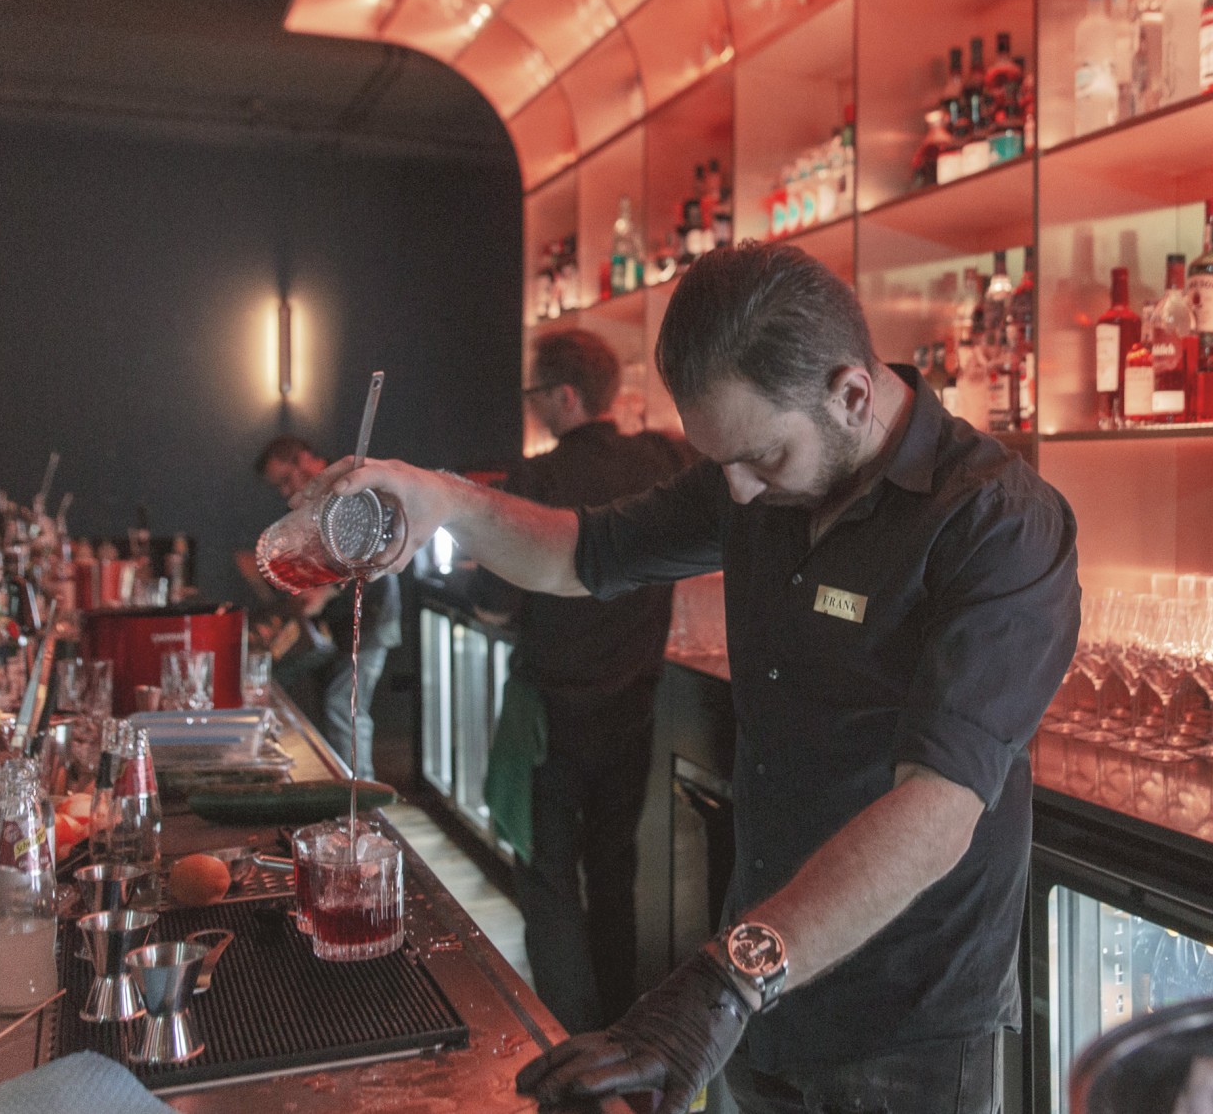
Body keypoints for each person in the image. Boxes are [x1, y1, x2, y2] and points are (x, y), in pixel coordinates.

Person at [296, 242, 1079, 1114]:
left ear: (852, 395)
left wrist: (726, 980)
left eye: (762, 457)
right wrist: (442, 498)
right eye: (723, 462)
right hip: (758, 988)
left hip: (905, 1019)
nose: (736, 492)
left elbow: (936, 810)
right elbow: (580, 552)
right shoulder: (753, 483)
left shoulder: (998, 524)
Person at [473, 327, 693, 1033]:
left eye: (536, 393)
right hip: (633, 706)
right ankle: (620, 1034)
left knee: (548, 877)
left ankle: (568, 1034)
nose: (533, 406)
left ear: (565, 395)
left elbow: (491, 602)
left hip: (551, 715)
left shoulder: (536, 479)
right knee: (613, 869)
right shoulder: (663, 461)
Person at [254, 435, 402, 779]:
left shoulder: (347, 484)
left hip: (370, 616)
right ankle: (348, 791)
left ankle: (362, 798)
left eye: (285, 480)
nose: (284, 491)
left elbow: (372, 547)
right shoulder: (315, 497)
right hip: (343, 621)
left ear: (302, 459)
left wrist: (325, 591)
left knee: (344, 707)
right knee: (338, 707)